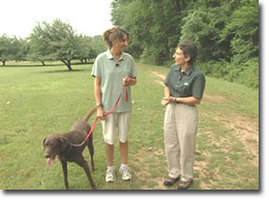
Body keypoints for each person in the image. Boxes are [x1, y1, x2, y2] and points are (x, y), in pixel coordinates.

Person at [91, 26, 138, 183]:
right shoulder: (101, 59)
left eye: (127, 40)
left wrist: (130, 81)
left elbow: (135, 80)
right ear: (115, 41)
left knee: (123, 138)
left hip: (125, 107)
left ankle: (124, 166)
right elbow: (97, 85)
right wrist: (99, 107)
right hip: (107, 109)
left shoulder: (129, 59)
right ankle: (110, 168)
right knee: (109, 139)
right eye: (123, 40)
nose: (126, 43)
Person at [161, 41, 206, 190]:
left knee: (186, 145)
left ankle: (187, 177)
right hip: (171, 109)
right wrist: (168, 97)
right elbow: (167, 85)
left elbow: (196, 99)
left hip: (187, 111)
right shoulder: (173, 68)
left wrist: (176, 99)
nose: (174, 56)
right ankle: (174, 173)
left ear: (187, 58)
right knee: (171, 142)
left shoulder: (198, 75)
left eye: (178, 54)